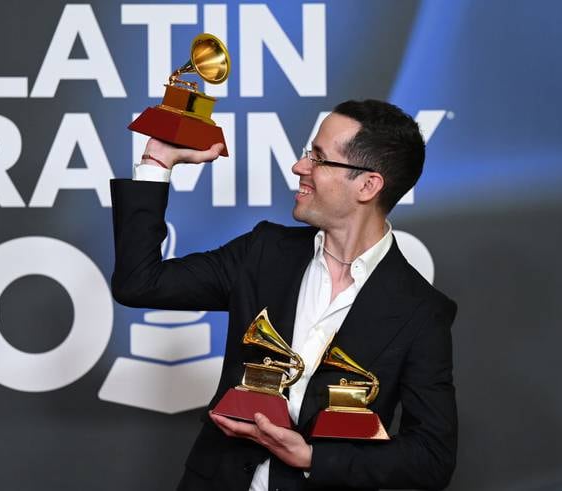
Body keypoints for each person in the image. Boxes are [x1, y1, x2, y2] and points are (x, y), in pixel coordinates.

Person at [110, 99, 457, 491]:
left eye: (319, 158)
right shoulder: (262, 252)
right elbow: (139, 282)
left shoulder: (421, 311)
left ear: (367, 185)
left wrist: (312, 458)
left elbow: (432, 457)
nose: (299, 166)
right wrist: (157, 162)